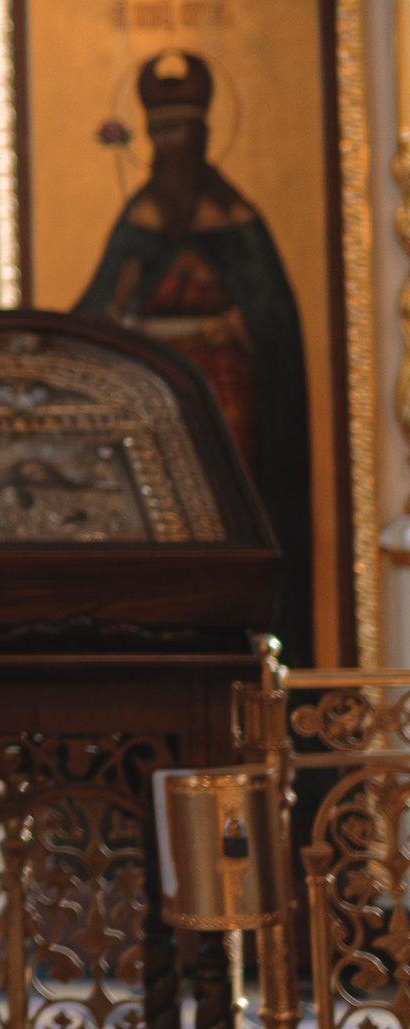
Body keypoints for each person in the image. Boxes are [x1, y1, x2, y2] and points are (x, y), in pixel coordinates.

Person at [74, 49, 314, 654]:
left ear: (204, 133)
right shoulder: (140, 220)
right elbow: (101, 317)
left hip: (231, 396)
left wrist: (234, 326)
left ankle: (246, 637)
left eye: (180, 129)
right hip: (157, 405)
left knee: (230, 511)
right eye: (159, 132)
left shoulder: (238, 220)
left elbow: (271, 323)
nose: (170, 144)